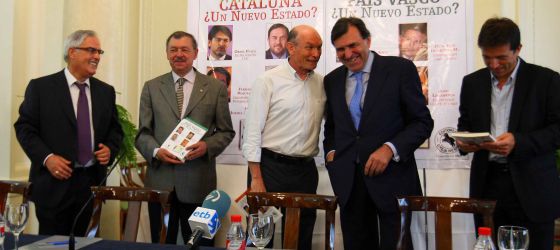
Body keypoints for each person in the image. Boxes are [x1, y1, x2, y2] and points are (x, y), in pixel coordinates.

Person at [323, 17, 433, 249]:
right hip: (350, 185)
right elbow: (332, 128)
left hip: (393, 181)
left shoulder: (399, 69)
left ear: (368, 40)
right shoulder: (332, 80)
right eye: (340, 49)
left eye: (353, 45)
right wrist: (332, 154)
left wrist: (389, 148)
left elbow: (422, 122)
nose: (348, 53)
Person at [456, 17, 560, 249]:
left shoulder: (546, 80)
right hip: (487, 185)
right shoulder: (472, 83)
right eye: (486, 57)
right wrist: (464, 142)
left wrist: (519, 141)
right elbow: (465, 124)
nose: (493, 64)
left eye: (501, 57)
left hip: (532, 187)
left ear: (518, 49)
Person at [14, 30, 123, 235]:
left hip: (90, 185)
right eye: (91, 50)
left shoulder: (105, 91)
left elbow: (115, 131)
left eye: (99, 51)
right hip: (53, 184)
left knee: (85, 243)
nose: (97, 57)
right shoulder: (41, 88)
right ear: (72, 52)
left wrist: (109, 149)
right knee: (52, 246)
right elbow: (25, 128)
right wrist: (47, 158)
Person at [135, 31, 235, 244]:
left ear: (196, 53)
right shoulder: (152, 87)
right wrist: (156, 151)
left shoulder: (215, 87)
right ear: (167, 54)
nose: (178, 54)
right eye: (173, 50)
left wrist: (207, 146)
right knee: (161, 244)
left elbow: (227, 132)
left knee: (201, 244)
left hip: (200, 184)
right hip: (161, 185)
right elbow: (143, 133)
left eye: (184, 50)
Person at [242, 25, 324, 250]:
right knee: (261, 237)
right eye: (309, 47)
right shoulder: (268, 80)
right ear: (291, 47)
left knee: (301, 235)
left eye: (319, 48)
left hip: (305, 172)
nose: (316, 54)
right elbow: (252, 131)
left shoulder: (321, 84)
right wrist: (256, 178)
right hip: (269, 169)